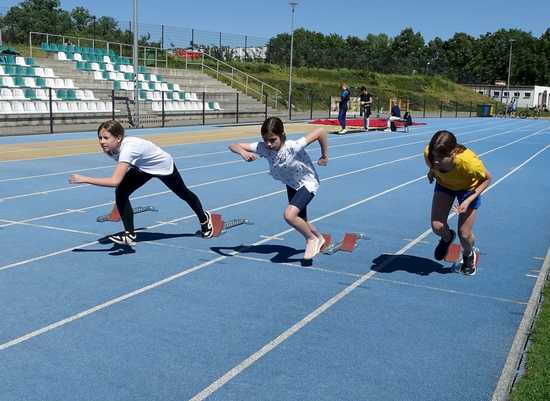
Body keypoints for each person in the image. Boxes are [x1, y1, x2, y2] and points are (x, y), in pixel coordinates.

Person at [68, 120, 213, 246]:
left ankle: (204, 219)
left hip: (162, 166)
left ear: (118, 138)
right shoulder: (111, 148)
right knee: (121, 191)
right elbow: (123, 175)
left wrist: (84, 179)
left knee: (183, 193)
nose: (102, 141)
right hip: (142, 167)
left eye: (106, 138)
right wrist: (122, 199)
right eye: (100, 137)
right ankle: (130, 235)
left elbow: (114, 180)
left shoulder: (127, 150)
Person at [228, 117, 329, 260]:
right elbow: (233, 145)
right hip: (292, 184)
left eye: (273, 140)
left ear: (281, 135)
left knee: (289, 215)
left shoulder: (293, 146)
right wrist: (243, 153)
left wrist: (324, 156)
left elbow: (320, 131)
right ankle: (319, 238)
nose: (268, 144)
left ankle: (311, 239)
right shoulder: (263, 147)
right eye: (265, 140)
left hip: (308, 182)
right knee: (301, 220)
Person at [424, 130, 492, 275]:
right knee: (437, 226)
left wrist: (468, 201)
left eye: (441, 157)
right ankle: (447, 238)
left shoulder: (469, 163)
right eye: (434, 156)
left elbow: (487, 179)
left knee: (465, 234)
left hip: (469, 189)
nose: (436, 160)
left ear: (453, 153)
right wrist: (432, 171)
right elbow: (433, 163)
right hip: (445, 185)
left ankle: (469, 254)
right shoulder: (429, 153)